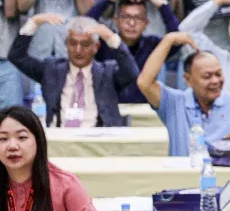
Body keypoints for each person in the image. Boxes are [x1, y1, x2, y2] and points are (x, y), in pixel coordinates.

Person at [137, 31, 230, 157]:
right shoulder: (174, 103)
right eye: (207, 76)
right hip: (183, 181)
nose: (215, 81)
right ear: (188, 80)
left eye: (219, 74)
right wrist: (168, 40)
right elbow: (145, 82)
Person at [0, 106, 111, 211]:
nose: (12, 146)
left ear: (38, 141)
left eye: (22, 137)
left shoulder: (65, 184)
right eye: (3, 139)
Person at [9, 15, 139, 128]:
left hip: (99, 140)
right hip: (59, 138)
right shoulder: (51, 69)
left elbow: (132, 72)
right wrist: (34, 22)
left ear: (96, 47)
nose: (78, 50)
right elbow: (17, 56)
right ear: (66, 45)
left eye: (85, 44)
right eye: (73, 43)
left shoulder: (107, 73)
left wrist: (112, 38)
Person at [84, 0, 180, 104]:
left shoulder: (152, 45)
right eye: (126, 17)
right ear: (116, 20)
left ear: (146, 23)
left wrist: (161, 4)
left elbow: (177, 40)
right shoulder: (103, 44)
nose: (132, 23)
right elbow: (83, 28)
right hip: (108, 110)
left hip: (144, 110)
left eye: (138, 18)